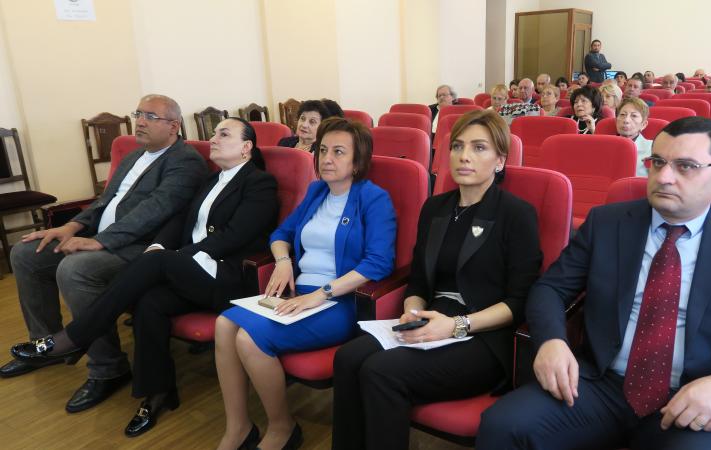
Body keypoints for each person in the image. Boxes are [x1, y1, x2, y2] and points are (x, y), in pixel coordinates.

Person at [477, 116, 711, 450]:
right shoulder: (607, 223)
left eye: (685, 166)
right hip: (600, 385)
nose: (664, 177)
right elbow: (550, 289)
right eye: (657, 162)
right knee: (503, 426)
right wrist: (552, 341)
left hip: (693, 396)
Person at [11, 117, 279, 437]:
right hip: (194, 269)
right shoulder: (212, 180)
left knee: (154, 264)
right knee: (150, 302)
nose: (213, 139)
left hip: (227, 277)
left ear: (246, 147)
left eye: (224, 134)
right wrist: (159, 246)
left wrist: (175, 257)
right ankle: (158, 393)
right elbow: (179, 221)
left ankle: (74, 337)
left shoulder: (259, 183)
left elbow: (235, 236)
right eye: (213, 133)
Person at [332, 109, 542, 450]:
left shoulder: (517, 214)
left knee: (380, 371)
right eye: (457, 146)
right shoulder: (435, 208)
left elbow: (519, 302)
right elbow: (418, 280)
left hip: (483, 335)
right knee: (347, 358)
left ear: (500, 161)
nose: (464, 156)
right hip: (431, 319)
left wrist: (456, 325)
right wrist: (412, 312)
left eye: (479, 148)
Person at [1, 95, 207, 411]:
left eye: (150, 116)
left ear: (173, 126)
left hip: (142, 248)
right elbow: (103, 202)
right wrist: (71, 227)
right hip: (102, 235)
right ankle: (48, 345)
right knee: (26, 254)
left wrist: (99, 241)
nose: (140, 121)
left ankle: (109, 368)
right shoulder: (134, 155)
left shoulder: (185, 161)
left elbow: (154, 211)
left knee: (75, 268)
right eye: (138, 113)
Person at [214, 117, 396, 450]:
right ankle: (237, 427)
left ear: (357, 162)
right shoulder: (316, 192)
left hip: (338, 301)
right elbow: (280, 234)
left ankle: (282, 428)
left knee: (249, 340)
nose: (326, 158)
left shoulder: (373, 198)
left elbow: (378, 262)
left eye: (339, 152)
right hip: (298, 293)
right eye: (323, 150)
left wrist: (321, 294)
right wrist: (283, 262)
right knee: (224, 324)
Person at [616, 98, 652, 176]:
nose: (626, 120)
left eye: (634, 116)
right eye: (622, 114)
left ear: (643, 125)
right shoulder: (605, 145)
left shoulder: (652, 149)